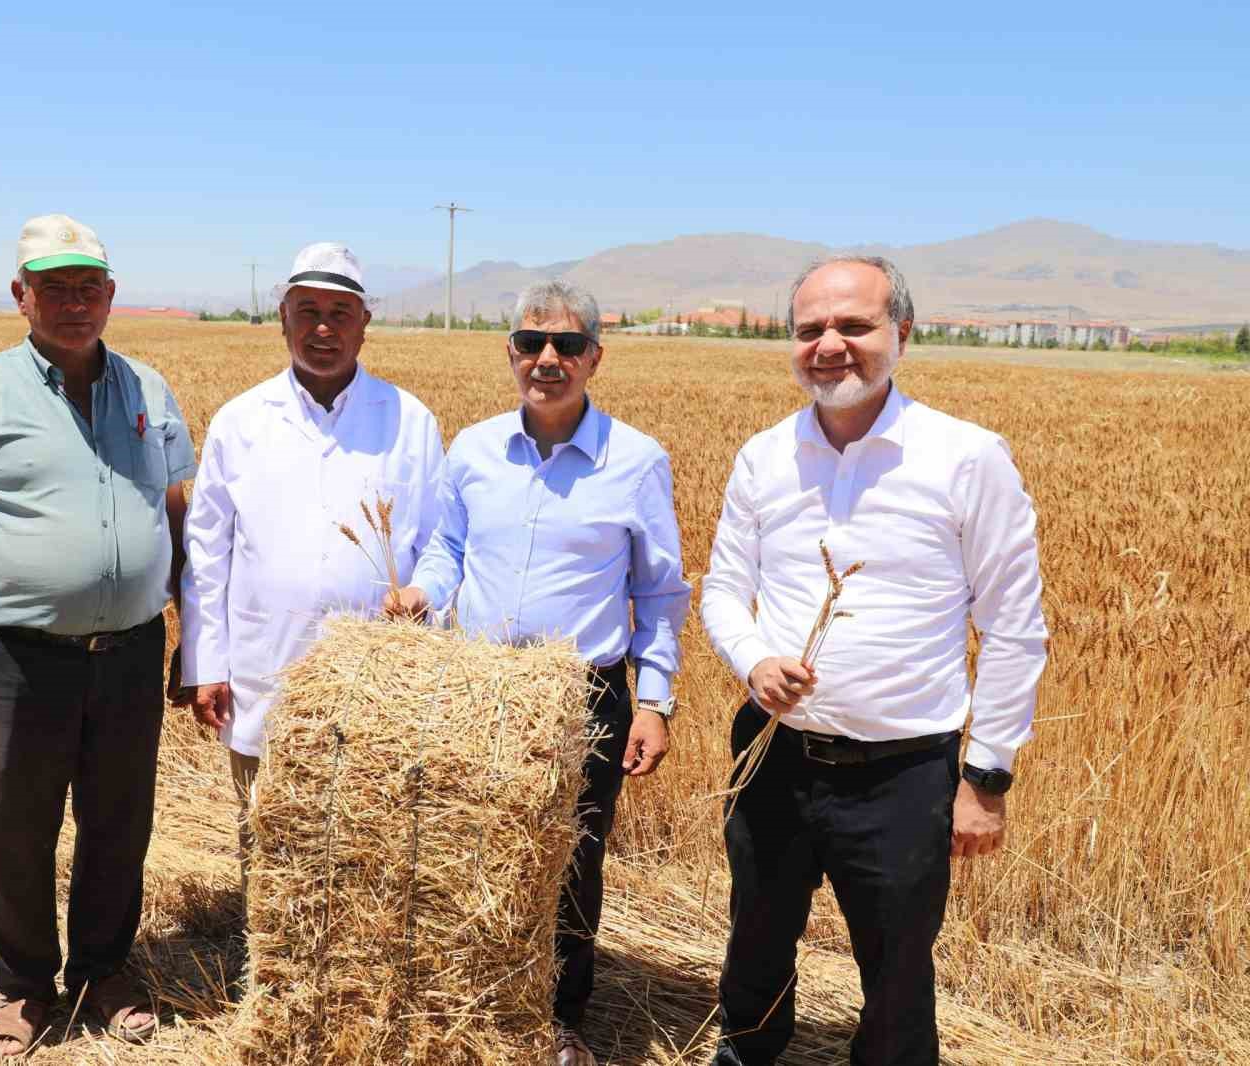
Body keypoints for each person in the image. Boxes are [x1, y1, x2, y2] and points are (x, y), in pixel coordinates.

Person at [701, 256, 1048, 1065]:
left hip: (903, 776)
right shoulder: (763, 456)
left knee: (895, 975)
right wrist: (754, 660)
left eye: (853, 326)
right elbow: (723, 589)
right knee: (755, 939)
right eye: (810, 329)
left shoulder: (966, 458)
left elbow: (1013, 627)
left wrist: (986, 778)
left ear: (903, 334)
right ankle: (746, 1054)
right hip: (772, 756)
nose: (829, 345)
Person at [0, 214, 195, 1057]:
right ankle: (24, 988)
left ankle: (104, 974)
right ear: (20, 295)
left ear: (111, 294)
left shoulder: (150, 392)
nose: (74, 303)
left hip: (130, 653)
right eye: (54, 287)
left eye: (88, 287)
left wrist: (197, 640)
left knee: (119, 823)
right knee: (15, 829)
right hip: (16, 658)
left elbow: (181, 520)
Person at [385, 280, 691, 1066]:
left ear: (595, 357)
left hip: (582, 696)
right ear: (510, 352)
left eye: (566, 345)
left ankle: (557, 1019)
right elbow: (448, 550)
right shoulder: (474, 449)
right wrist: (423, 593)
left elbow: (659, 592)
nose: (547, 359)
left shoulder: (636, 462)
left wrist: (653, 701)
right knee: (469, 846)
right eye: (530, 343)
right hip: (479, 684)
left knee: (569, 863)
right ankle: (467, 1002)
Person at [176, 242, 444, 896]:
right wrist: (205, 663)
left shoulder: (410, 421)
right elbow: (207, 553)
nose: (323, 328)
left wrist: (427, 605)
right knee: (270, 847)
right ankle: (269, 957)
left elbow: (442, 542)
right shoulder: (241, 421)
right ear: (283, 318)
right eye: (308, 311)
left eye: (340, 313)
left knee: (372, 856)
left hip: (379, 682)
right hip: (264, 668)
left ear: (364, 324)